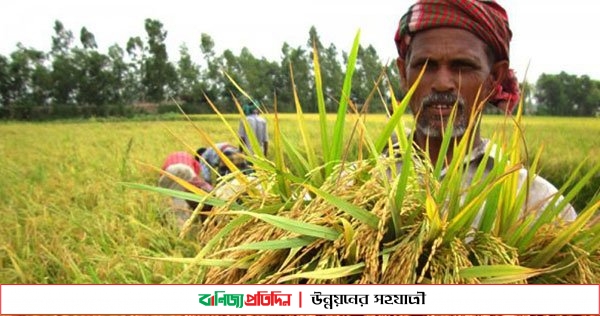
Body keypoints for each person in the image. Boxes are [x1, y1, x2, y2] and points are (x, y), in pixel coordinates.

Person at [391, 0, 576, 223]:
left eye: (463, 66)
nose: (442, 83)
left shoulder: (539, 206)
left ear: (494, 78)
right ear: (403, 73)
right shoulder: (354, 187)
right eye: (426, 66)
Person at [158, 151, 214, 227]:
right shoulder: (192, 159)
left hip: (170, 170)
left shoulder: (171, 156)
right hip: (187, 170)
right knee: (183, 197)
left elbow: (162, 171)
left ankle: (174, 217)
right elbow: (195, 176)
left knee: (175, 196)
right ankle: (182, 225)